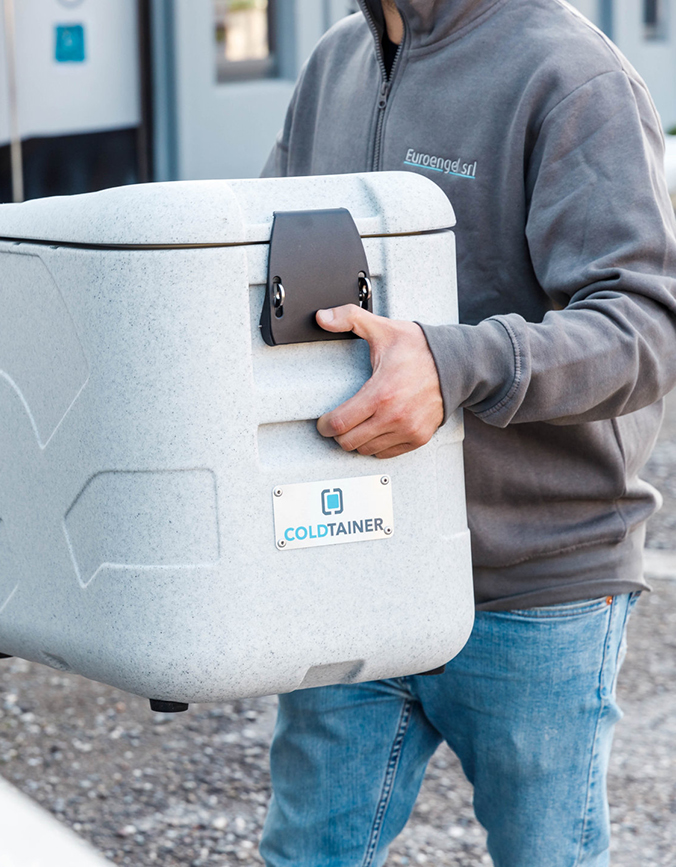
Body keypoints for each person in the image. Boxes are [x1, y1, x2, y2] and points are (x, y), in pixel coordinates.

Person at [258, 0, 676, 864]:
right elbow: (256, 269)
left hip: (536, 584)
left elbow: (646, 327)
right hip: (351, 564)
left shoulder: (569, 73)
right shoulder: (336, 63)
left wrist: (454, 366)